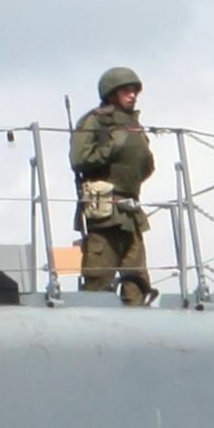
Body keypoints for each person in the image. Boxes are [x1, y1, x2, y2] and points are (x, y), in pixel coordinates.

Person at [69, 67, 157, 305]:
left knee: (137, 282)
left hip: (131, 212)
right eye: (126, 90)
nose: (132, 95)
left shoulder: (133, 124)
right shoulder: (95, 120)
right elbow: (79, 159)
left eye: (134, 91)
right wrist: (113, 146)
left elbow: (144, 166)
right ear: (111, 93)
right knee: (98, 281)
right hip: (104, 213)